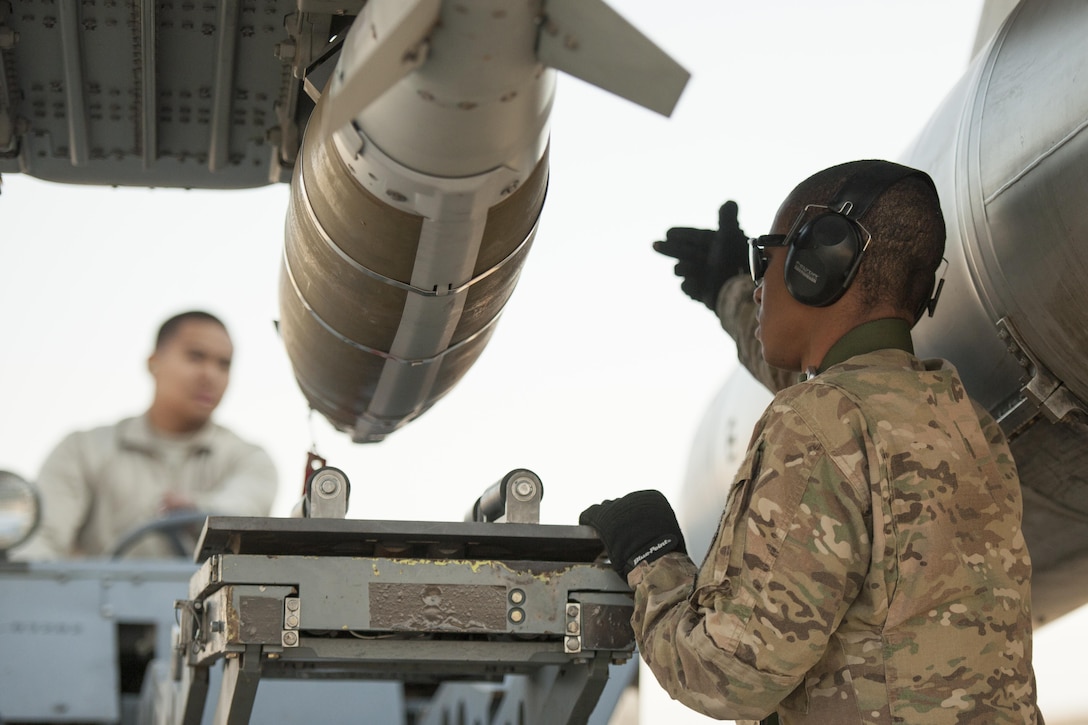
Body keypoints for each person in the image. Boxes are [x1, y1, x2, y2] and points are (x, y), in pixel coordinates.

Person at [579, 160, 1040, 724]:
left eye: (763, 259)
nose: (757, 285)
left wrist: (651, 557)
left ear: (819, 264)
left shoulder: (816, 425)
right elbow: (842, 394)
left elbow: (726, 677)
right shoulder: (963, 421)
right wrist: (728, 290)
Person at [15, 311, 277, 559]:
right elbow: (39, 542)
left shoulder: (250, 459)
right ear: (154, 363)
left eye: (224, 364)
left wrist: (196, 508)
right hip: (98, 606)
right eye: (196, 357)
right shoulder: (83, 450)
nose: (210, 375)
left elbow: (245, 510)